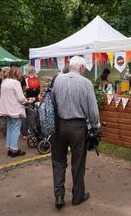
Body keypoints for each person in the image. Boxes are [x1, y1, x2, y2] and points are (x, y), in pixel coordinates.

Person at [51, 56, 100, 209]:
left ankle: (59, 195)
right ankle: (77, 196)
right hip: (78, 127)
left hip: (59, 125)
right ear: (82, 68)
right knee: (78, 163)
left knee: (58, 162)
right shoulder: (86, 83)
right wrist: (96, 126)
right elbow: (93, 110)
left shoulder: (58, 79)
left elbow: (52, 101)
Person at [0, 67, 33, 157]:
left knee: (10, 128)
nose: (21, 74)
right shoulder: (16, 83)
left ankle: (10, 148)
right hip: (14, 109)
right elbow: (21, 98)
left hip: (6, 109)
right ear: (16, 74)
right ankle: (14, 149)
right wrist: (28, 101)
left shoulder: (4, 82)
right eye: (20, 73)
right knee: (16, 129)